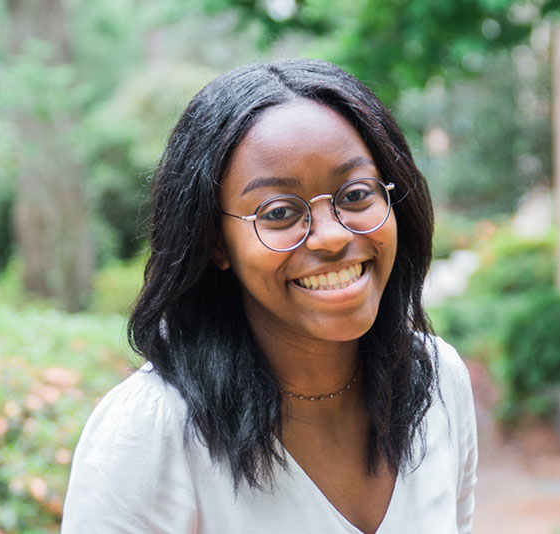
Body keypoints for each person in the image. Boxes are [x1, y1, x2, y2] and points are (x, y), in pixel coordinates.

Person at [61, 58, 477, 534]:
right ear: (216, 242)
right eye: (279, 212)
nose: (329, 237)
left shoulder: (438, 383)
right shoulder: (152, 432)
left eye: (356, 194)